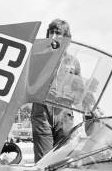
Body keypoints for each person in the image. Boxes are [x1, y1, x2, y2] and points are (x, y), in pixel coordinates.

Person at [31, 19, 81, 162]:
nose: (53, 36)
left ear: (66, 38)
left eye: (58, 33)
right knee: (44, 161)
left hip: (64, 113)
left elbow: (80, 91)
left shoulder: (73, 62)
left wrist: (70, 95)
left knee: (62, 159)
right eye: (51, 32)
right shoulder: (38, 57)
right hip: (42, 111)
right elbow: (29, 83)